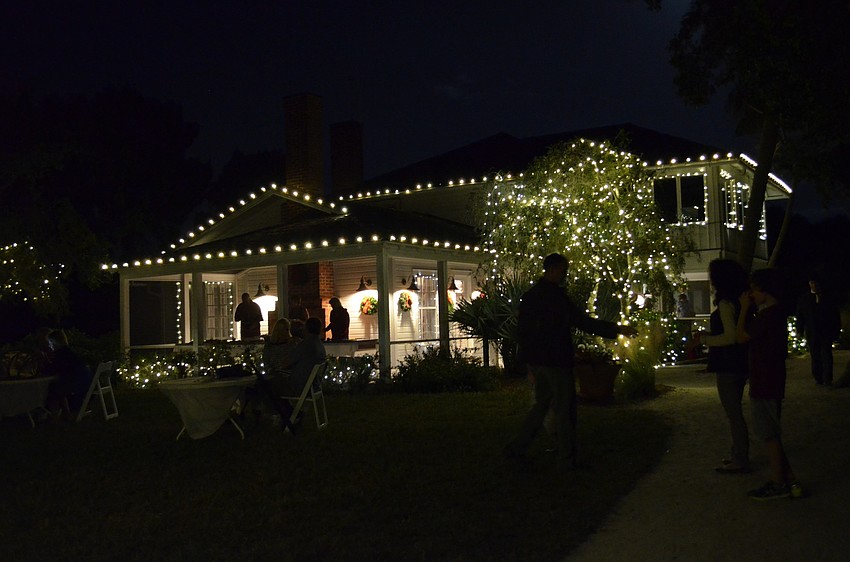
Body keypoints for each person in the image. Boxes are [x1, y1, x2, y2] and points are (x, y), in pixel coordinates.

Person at [504, 253, 638, 468]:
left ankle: (518, 446)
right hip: (556, 360)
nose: (565, 274)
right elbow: (582, 322)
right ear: (555, 269)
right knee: (565, 408)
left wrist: (528, 360)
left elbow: (523, 331)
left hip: (538, 360)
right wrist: (616, 329)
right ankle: (566, 457)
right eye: (563, 270)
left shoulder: (530, 296)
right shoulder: (557, 297)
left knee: (541, 405)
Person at [736, 268, 803, 500]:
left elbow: (741, 336)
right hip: (770, 377)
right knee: (771, 430)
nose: (751, 295)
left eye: (755, 290)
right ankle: (788, 478)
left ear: (766, 290)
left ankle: (779, 483)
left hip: (765, 380)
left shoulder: (767, 316)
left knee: (769, 433)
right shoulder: (774, 313)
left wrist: (744, 309)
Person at [694, 259, 751, 474]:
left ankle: (740, 457)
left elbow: (730, 336)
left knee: (733, 413)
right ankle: (739, 454)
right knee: (735, 412)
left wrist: (705, 341)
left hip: (728, 363)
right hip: (739, 362)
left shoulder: (726, 304)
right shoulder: (739, 301)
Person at [796, 274, 842, 386]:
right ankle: (818, 377)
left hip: (825, 331)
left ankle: (827, 378)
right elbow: (800, 316)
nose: (814, 285)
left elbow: (834, 316)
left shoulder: (827, 298)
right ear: (809, 284)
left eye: (815, 283)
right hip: (812, 332)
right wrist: (800, 330)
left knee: (826, 354)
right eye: (812, 283)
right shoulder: (804, 299)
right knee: (815, 355)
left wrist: (836, 331)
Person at [43, 330, 94, 420]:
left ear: (56, 342)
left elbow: (51, 370)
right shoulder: (68, 352)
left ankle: (55, 415)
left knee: (53, 388)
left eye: (50, 342)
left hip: (77, 384)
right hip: (84, 381)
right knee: (57, 386)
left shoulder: (61, 354)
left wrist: (43, 359)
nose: (49, 345)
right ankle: (65, 413)